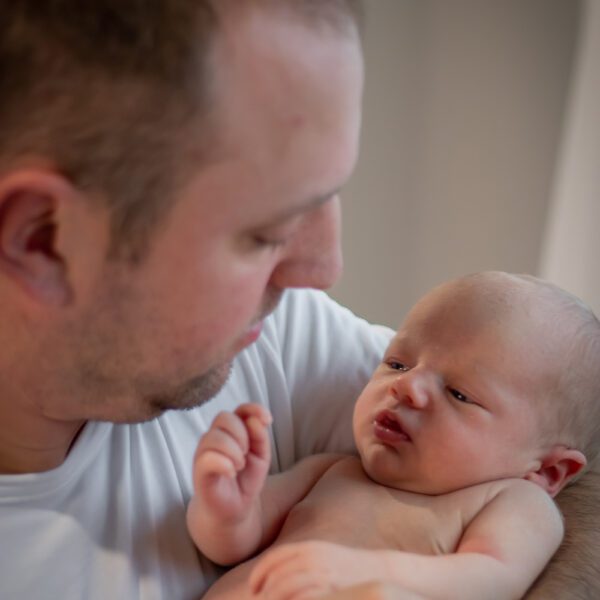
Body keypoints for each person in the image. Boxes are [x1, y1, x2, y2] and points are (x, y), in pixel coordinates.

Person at [0, 1, 598, 599]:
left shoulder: (269, 341)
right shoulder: (330, 458)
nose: (324, 270)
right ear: (43, 240)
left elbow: (557, 430)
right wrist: (230, 511)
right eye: (267, 232)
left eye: (330, 194)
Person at [191, 272, 600, 600]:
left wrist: (369, 571)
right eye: (398, 363)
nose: (407, 387)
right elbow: (227, 545)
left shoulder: (513, 502)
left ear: (548, 471)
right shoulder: (331, 471)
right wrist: (227, 506)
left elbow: (493, 580)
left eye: (459, 394)